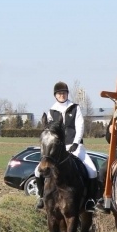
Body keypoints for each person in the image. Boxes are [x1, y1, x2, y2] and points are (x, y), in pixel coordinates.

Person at [35, 81, 99, 211]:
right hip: (57, 149)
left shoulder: (75, 108)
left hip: (74, 146)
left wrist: (76, 142)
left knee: (92, 171)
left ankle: (90, 200)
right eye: (59, 93)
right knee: (37, 171)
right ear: (55, 96)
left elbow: (80, 126)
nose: (62, 95)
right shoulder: (51, 111)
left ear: (67, 94)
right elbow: (48, 130)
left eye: (64, 93)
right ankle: (42, 197)